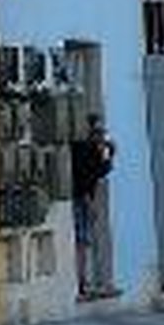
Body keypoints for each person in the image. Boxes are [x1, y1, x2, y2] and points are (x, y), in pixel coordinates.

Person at [71, 118, 119, 299]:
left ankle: (86, 281)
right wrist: (89, 204)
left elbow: (102, 171)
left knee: (84, 241)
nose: (101, 137)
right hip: (79, 198)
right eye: (98, 133)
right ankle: (81, 283)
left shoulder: (95, 151)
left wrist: (107, 153)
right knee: (81, 240)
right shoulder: (84, 151)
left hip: (84, 197)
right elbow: (83, 180)